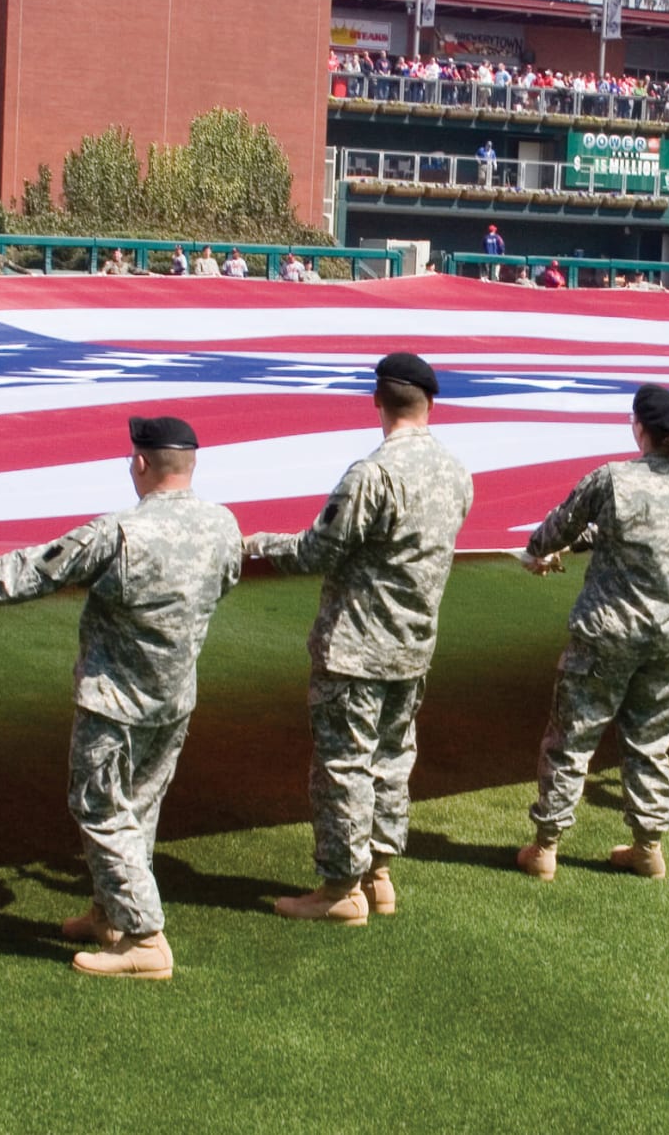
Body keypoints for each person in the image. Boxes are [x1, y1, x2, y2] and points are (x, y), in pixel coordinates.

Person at [0, 416, 241, 979]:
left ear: (141, 463)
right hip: (173, 699)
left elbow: (30, 573)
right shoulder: (223, 526)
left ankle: (145, 938)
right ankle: (110, 912)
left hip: (115, 701)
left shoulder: (120, 534)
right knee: (138, 809)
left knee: (99, 807)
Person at [244, 354, 473, 923]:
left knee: (344, 765)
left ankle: (339, 889)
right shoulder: (456, 471)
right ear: (430, 404)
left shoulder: (373, 474)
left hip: (356, 645)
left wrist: (256, 544)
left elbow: (315, 552)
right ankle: (379, 874)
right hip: (413, 643)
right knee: (391, 760)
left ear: (377, 400)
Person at [514, 386, 669, 881]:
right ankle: (648, 846)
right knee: (650, 743)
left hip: (607, 634)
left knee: (572, 739)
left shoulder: (613, 479)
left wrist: (539, 550)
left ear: (640, 429)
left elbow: (557, 528)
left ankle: (546, 848)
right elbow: (648, 535)